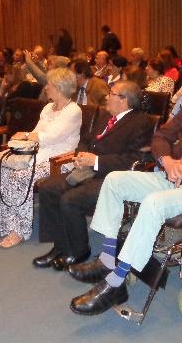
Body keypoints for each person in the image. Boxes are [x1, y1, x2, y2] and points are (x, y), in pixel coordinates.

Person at [68, 58, 182, 316]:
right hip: (173, 174)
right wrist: (167, 161)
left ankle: (115, 283)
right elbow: (161, 137)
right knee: (114, 181)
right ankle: (107, 259)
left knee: (154, 203)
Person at [33, 81, 154, 271]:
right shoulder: (106, 115)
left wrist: (96, 161)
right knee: (48, 187)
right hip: (87, 170)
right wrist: (80, 154)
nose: (106, 96)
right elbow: (86, 139)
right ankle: (60, 246)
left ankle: (79, 250)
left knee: (70, 200)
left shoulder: (141, 122)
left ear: (124, 100)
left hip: (113, 177)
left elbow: (135, 160)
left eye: (111, 93)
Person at [0, 68, 82, 248]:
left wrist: (26, 136)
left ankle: (19, 229)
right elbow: (37, 132)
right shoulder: (48, 107)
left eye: (49, 84)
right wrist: (27, 136)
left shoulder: (73, 110)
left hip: (59, 161)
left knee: (20, 177)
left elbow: (52, 137)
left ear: (59, 87)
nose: (46, 87)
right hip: (37, 154)